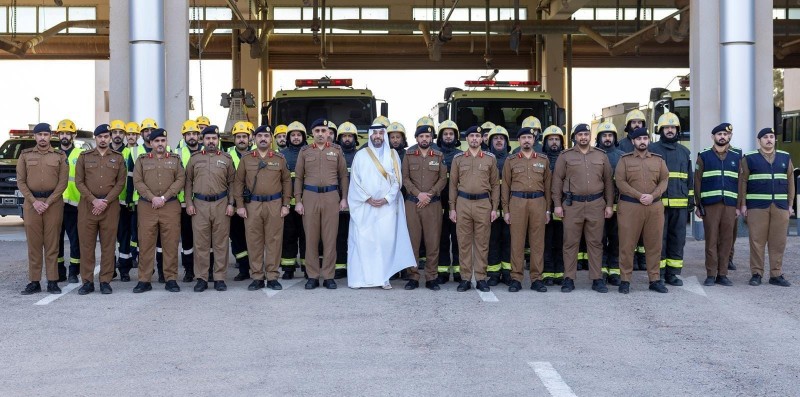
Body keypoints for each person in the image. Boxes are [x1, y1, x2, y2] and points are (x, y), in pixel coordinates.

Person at [347, 125, 415, 289]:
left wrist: (386, 199)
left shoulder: (392, 155)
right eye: (375, 133)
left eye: (380, 133)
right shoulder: (361, 155)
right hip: (366, 206)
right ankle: (361, 279)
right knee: (365, 241)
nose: (377, 136)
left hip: (387, 208)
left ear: (384, 136)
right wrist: (367, 198)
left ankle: (383, 278)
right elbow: (355, 181)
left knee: (385, 243)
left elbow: (398, 182)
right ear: (370, 136)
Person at [551, 123, 614, 293]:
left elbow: (608, 182)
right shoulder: (565, 156)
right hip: (573, 206)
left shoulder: (601, 156)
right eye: (580, 135)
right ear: (575, 137)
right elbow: (556, 181)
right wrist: (557, 205)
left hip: (596, 205)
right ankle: (569, 278)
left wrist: (609, 205)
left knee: (596, 243)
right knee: (570, 243)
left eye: (586, 134)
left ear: (590, 136)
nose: (583, 137)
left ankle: (597, 278)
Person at [233, 125, 292, 290]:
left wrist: (286, 204)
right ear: (254, 139)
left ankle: (272, 276)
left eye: (266, 135)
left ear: (271, 138)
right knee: (254, 242)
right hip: (253, 205)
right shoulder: (247, 158)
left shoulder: (279, 158)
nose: (263, 139)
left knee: (274, 241)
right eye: (260, 136)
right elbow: (239, 182)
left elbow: (287, 182)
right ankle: (257, 276)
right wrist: (240, 206)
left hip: (275, 204)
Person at [294, 118, 349, 290]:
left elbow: (343, 176)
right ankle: (312, 276)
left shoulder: (336, 150)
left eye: (323, 131)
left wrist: (344, 198)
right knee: (311, 238)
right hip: (310, 197)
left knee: (330, 239)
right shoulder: (304, 152)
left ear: (328, 133)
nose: (320, 134)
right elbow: (298, 177)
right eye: (317, 131)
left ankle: (328, 276)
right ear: (312, 134)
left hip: (331, 197)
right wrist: (298, 201)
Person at [615, 127, 670, 293]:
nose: (642, 141)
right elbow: (620, 182)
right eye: (639, 139)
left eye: (645, 138)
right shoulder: (624, 160)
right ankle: (625, 280)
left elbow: (664, 180)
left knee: (654, 245)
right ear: (633, 141)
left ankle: (654, 279)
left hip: (654, 207)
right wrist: (639, 195)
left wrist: (653, 196)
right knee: (627, 245)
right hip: (630, 207)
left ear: (648, 140)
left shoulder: (658, 160)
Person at [74, 124, 127, 295]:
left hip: (109, 207)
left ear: (110, 138)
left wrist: (105, 201)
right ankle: (87, 282)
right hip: (87, 207)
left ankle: (105, 280)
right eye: (100, 137)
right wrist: (94, 200)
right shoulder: (84, 156)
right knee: (87, 246)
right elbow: (79, 182)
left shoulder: (118, 158)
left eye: (106, 136)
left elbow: (120, 183)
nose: (103, 139)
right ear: (95, 139)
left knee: (108, 245)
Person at [132, 128, 185, 293]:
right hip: (147, 206)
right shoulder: (142, 160)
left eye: (163, 141)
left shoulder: (175, 160)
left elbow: (180, 179)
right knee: (146, 244)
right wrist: (152, 197)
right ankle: (144, 280)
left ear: (166, 142)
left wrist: (164, 197)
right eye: (157, 141)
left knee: (170, 244)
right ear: (151, 143)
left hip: (169, 206)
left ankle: (170, 279)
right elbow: (138, 181)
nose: (160, 144)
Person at [17, 123, 68, 295]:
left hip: (53, 204)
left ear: (51, 136)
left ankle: (53, 281)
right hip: (32, 205)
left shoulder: (59, 156)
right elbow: (21, 181)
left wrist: (49, 201)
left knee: (52, 244)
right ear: (35, 137)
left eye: (46, 134)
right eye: (40, 135)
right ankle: (34, 281)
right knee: (34, 245)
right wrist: (34, 201)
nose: (43, 138)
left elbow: (63, 183)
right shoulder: (25, 155)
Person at [740, 127, 794, 287]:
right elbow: (743, 182)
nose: (769, 139)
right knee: (757, 241)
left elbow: (791, 181)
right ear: (759, 140)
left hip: (780, 206)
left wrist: (790, 205)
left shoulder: (785, 157)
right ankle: (756, 273)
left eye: (771, 136)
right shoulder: (749, 158)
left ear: (774, 140)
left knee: (778, 242)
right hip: (756, 206)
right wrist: (743, 204)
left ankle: (776, 274)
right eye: (765, 137)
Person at [185, 125, 236, 292]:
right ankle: (202, 278)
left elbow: (232, 183)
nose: (211, 141)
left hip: (221, 204)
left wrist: (231, 204)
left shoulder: (227, 159)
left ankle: (220, 278)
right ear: (202, 140)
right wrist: (189, 203)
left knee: (221, 243)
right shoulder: (194, 158)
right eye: (208, 138)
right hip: (199, 205)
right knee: (201, 244)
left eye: (214, 138)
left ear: (218, 140)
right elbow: (188, 183)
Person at [449, 125, 500, 292]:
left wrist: (494, 207)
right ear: (467, 139)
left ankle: (480, 278)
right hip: (462, 203)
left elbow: (495, 185)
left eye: (477, 136)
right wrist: (452, 207)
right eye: (471, 136)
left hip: (483, 204)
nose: (474, 139)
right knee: (463, 242)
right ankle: (465, 278)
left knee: (482, 243)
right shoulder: (458, 159)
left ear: (481, 139)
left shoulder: (489, 158)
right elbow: (453, 185)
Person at [502, 126, 551, 292]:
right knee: (517, 242)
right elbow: (506, 186)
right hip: (517, 202)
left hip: (538, 202)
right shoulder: (511, 160)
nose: (527, 140)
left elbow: (548, 186)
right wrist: (506, 210)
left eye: (530, 137)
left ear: (534, 139)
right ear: (519, 141)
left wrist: (547, 210)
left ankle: (537, 278)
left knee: (537, 243)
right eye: (523, 138)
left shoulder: (543, 160)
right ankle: (516, 278)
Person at [648, 112, 693, 286]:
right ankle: (657, 273)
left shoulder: (684, 152)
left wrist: (690, 199)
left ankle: (673, 274)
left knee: (677, 239)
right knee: (658, 239)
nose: (670, 130)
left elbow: (688, 177)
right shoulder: (652, 150)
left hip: (679, 204)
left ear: (677, 130)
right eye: (666, 127)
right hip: (658, 205)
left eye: (673, 127)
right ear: (661, 130)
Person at [695, 122, 741, 287]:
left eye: (725, 134)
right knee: (711, 240)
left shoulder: (737, 156)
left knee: (727, 240)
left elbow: (741, 183)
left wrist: (739, 205)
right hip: (710, 206)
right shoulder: (704, 156)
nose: (723, 137)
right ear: (713, 137)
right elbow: (697, 181)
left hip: (730, 205)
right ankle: (711, 274)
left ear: (729, 136)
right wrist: (698, 205)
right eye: (719, 134)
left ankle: (723, 274)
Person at [403, 125, 447, 291]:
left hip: (432, 204)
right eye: (421, 136)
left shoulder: (438, 155)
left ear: (431, 139)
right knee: (412, 242)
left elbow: (443, 179)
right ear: (416, 138)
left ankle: (431, 277)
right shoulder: (408, 155)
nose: (424, 139)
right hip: (413, 203)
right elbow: (405, 178)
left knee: (432, 242)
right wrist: (418, 194)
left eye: (427, 136)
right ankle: (413, 277)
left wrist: (429, 194)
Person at [618, 109, 649, 269]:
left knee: (644, 233)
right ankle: (631, 262)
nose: (637, 125)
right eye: (634, 122)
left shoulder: (648, 145)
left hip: (644, 194)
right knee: (629, 232)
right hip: (629, 196)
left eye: (640, 122)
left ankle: (642, 259)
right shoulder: (621, 144)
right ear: (628, 125)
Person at [594, 121, 624, 286]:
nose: (607, 138)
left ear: (614, 138)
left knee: (617, 239)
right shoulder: (594, 155)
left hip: (619, 206)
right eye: (604, 135)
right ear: (599, 138)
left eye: (610, 135)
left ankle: (615, 271)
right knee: (599, 239)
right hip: (598, 205)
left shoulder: (622, 156)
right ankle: (601, 271)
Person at [227, 121, 255, 281]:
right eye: (238, 137)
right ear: (234, 139)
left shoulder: (258, 153)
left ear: (250, 138)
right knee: (237, 237)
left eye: (244, 136)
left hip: (253, 202)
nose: (242, 139)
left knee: (255, 236)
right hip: (235, 202)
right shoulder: (227, 154)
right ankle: (243, 268)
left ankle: (256, 266)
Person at [56, 119, 83, 284]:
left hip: (75, 205)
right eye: (62, 133)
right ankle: (59, 272)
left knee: (75, 241)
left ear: (74, 135)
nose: (65, 136)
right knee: (56, 241)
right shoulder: (53, 154)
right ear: (58, 135)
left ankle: (74, 272)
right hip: (56, 205)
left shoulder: (80, 154)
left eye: (68, 133)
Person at [174, 119, 202, 282]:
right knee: (187, 238)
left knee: (206, 239)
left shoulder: (208, 151)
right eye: (188, 134)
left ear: (199, 136)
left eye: (194, 134)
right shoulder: (177, 153)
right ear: (184, 136)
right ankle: (189, 270)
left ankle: (206, 269)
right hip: (183, 203)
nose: (191, 137)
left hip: (204, 203)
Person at [436, 120, 463, 284]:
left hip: (458, 203)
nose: (448, 136)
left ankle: (459, 272)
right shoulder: (435, 154)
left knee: (459, 237)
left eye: (451, 134)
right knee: (441, 237)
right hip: (438, 201)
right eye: (445, 134)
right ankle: (443, 272)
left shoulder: (461, 155)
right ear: (440, 137)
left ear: (456, 137)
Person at [280, 121, 308, 279]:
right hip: (287, 205)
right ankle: (288, 269)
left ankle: (306, 268)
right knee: (288, 236)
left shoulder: (309, 152)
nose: (296, 137)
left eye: (299, 135)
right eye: (293, 135)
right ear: (288, 137)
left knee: (306, 237)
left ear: (303, 137)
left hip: (306, 204)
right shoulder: (282, 154)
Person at [486, 126, 512, 286]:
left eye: (502, 138)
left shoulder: (513, 159)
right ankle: (494, 273)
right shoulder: (486, 159)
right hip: (491, 207)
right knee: (492, 240)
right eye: (495, 138)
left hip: (510, 206)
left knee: (509, 240)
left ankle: (508, 273)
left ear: (507, 142)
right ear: (490, 142)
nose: (499, 140)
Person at [109, 120, 135, 282]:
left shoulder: (129, 153)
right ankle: (109, 268)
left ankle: (124, 269)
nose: (118, 135)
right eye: (115, 132)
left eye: (121, 132)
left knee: (124, 236)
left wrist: (130, 199)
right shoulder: (104, 151)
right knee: (108, 237)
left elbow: (131, 179)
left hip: (123, 202)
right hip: (107, 202)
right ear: (111, 135)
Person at [334, 122, 359, 279]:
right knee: (340, 237)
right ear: (339, 139)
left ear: (355, 138)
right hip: (339, 204)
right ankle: (340, 267)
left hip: (358, 205)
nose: (347, 139)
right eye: (344, 136)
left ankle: (356, 267)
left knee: (357, 238)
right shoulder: (335, 154)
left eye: (350, 136)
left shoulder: (361, 155)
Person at [541, 126, 566, 286]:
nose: (554, 142)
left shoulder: (567, 158)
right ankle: (548, 273)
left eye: (557, 139)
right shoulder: (541, 159)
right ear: (545, 142)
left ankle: (561, 273)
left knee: (562, 241)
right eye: (551, 139)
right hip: (544, 206)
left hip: (563, 206)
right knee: (546, 241)